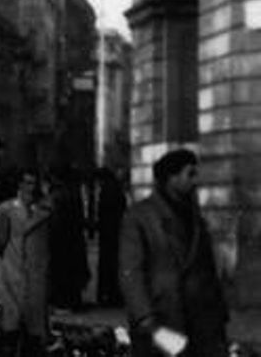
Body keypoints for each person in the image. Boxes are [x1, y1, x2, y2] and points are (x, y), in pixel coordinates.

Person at [119, 148, 229, 357]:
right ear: (171, 177)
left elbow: (207, 268)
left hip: (201, 322)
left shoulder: (195, 216)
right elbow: (131, 272)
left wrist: (220, 316)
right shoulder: (140, 217)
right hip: (163, 320)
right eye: (190, 174)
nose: (196, 181)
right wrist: (146, 320)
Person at [0, 169, 52, 356]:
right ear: (19, 185)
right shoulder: (6, 210)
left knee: (34, 324)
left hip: (36, 273)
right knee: (13, 320)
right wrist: (12, 257)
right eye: (27, 183)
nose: (31, 188)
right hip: (14, 270)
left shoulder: (44, 211)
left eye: (34, 184)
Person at [47, 163, 90, 311]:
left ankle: (63, 301)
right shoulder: (73, 192)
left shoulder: (58, 195)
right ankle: (72, 299)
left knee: (61, 272)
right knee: (72, 272)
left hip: (61, 240)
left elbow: (55, 219)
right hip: (73, 239)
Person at [93, 167, 126, 307]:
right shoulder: (117, 189)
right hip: (115, 232)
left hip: (108, 234)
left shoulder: (106, 191)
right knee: (113, 265)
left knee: (107, 265)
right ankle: (113, 295)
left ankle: (106, 295)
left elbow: (103, 213)